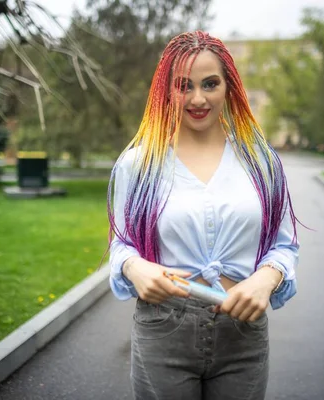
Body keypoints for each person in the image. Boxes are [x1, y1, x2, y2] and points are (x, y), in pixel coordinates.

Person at [107, 31, 299, 400]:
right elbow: (121, 244)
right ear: (167, 91)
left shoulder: (261, 163)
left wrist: (265, 280)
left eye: (210, 83)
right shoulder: (138, 164)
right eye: (184, 86)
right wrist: (135, 268)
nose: (198, 98)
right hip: (163, 328)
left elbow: (284, 245)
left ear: (229, 87)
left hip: (244, 333)